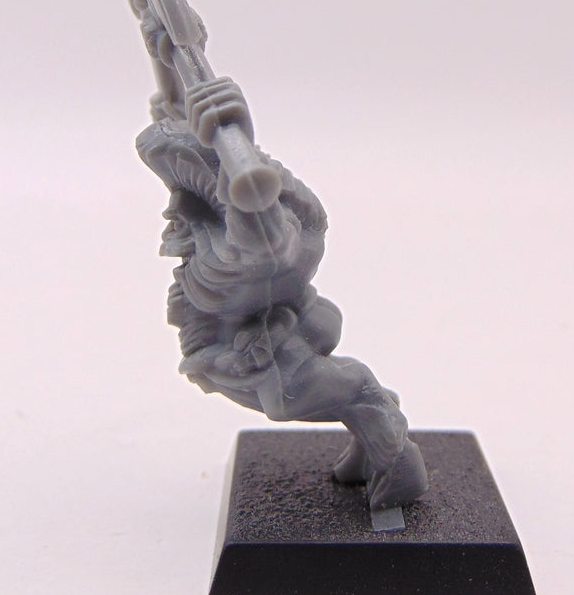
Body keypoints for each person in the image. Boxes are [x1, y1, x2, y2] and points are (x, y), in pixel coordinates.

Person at [136, 76, 429, 508]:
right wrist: (168, 65)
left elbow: (263, 232)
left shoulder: (228, 256)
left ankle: (393, 454)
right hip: (262, 329)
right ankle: (372, 436)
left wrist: (241, 154)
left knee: (334, 389)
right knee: (337, 389)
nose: (172, 213)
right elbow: (174, 119)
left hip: (254, 349)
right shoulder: (209, 242)